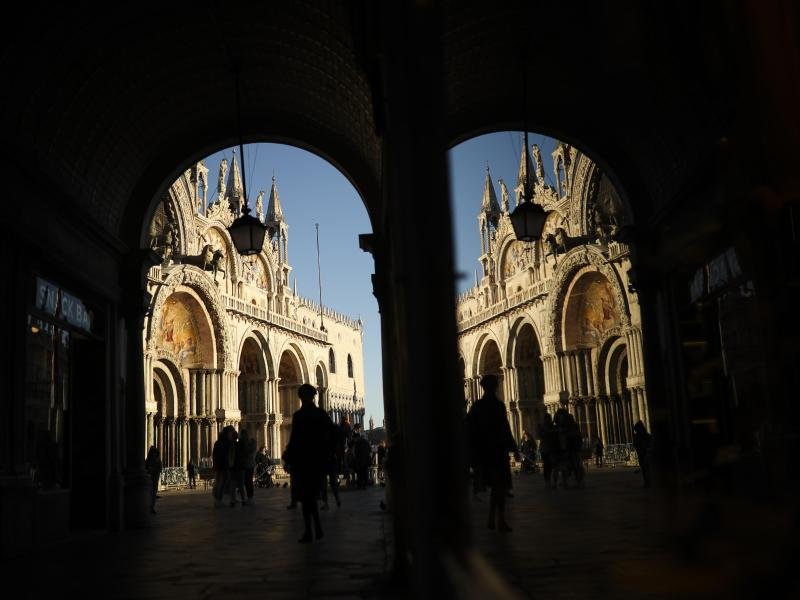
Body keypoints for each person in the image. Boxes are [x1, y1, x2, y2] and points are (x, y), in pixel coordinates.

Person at [283, 383, 336, 543]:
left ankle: (310, 531)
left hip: (304, 462)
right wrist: (327, 452)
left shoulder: (299, 415)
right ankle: (317, 528)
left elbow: (295, 439)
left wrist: (288, 456)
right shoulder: (321, 414)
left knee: (307, 497)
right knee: (311, 496)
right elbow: (334, 433)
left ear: (301, 397)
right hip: (318, 461)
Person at [466, 374, 519, 532]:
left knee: (497, 487)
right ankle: (499, 520)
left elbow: (468, 428)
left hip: (487, 453)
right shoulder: (497, 406)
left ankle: (493, 518)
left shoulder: (478, 406)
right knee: (499, 487)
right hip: (496, 453)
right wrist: (513, 448)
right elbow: (505, 429)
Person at [239, 429, 257, 505]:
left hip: (247, 464)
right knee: (246, 482)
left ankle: (250, 497)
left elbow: (249, 452)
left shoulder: (249, 442)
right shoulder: (243, 443)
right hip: (247, 464)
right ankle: (247, 497)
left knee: (247, 481)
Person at [632, 420, 653, 488]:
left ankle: (648, 481)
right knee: (645, 469)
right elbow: (635, 444)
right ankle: (647, 482)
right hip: (642, 454)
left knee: (647, 468)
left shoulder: (644, 436)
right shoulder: (641, 436)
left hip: (645, 454)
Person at [145, 445, 162, 515]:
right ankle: (149, 507)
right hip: (150, 478)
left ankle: (151, 507)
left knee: (153, 493)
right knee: (150, 493)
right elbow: (145, 468)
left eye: (155, 453)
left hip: (155, 478)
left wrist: (154, 470)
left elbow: (160, 469)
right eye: (153, 452)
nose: (154, 454)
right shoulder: (148, 460)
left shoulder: (158, 460)